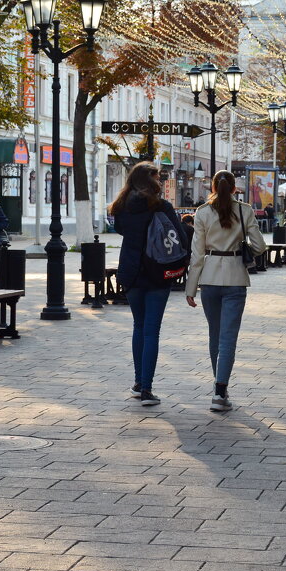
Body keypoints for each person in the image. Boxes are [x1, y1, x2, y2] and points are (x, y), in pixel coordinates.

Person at [185, 170, 267, 411]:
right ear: (234, 189)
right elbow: (260, 245)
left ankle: (219, 386)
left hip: (209, 279)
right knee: (228, 337)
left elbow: (196, 255)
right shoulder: (244, 210)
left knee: (215, 334)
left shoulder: (202, 213)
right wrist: (244, 248)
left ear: (212, 187)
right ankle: (220, 390)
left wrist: (191, 288)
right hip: (235, 278)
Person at [110, 161, 187, 407]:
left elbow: (122, 231)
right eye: (158, 176)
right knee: (152, 330)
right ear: (150, 180)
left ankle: (137, 382)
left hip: (131, 272)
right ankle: (147, 389)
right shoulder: (161, 206)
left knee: (138, 326)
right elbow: (180, 237)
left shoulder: (121, 207)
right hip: (157, 272)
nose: (161, 180)